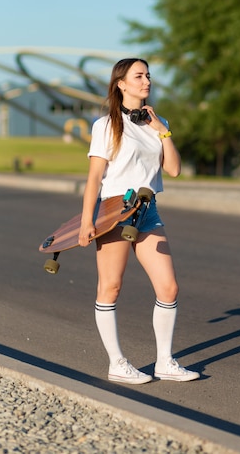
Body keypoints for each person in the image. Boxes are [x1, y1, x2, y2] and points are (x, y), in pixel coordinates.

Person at [78, 58, 199, 384]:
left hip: (148, 211)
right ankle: (117, 363)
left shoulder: (157, 122)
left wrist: (163, 131)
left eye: (148, 75)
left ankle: (164, 362)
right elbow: (94, 179)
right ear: (121, 84)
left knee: (169, 287)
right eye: (139, 76)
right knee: (111, 286)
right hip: (116, 210)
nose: (146, 81)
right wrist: (86, 221)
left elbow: (173, 169)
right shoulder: (105, 125)